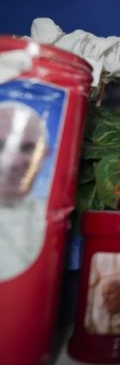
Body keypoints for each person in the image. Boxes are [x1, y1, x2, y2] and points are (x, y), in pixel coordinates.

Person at [0, 102, 48, 281]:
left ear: (45, 155)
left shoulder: (50, 216)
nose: (13, 162)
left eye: (27, 148)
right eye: (0, 146)